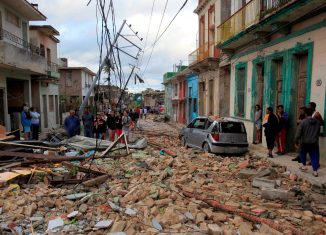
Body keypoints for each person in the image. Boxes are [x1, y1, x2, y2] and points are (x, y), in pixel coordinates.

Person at [295, 107, 320, 177]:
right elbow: (317, 132)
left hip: (304, 142)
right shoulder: (318, 122)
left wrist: (296, 140)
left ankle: (304, 166)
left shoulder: (303, 122)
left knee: (302, 153)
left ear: (306, 114)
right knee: (314, 156)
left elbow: (298, 132)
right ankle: (315, 171)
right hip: (314, 142)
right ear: (312, 113)